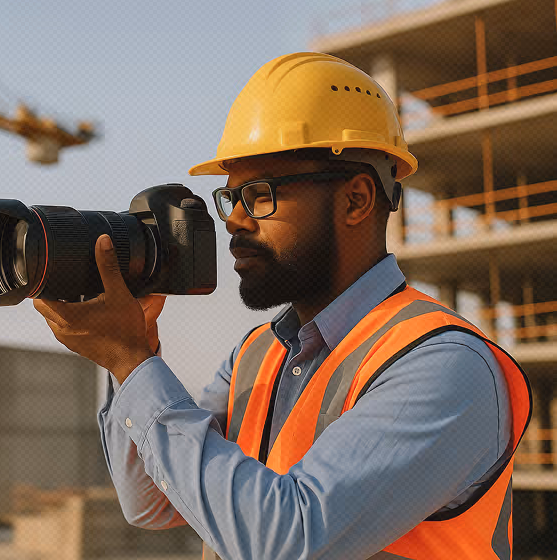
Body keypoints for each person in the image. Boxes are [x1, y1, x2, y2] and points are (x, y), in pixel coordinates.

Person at [33, 53, 532, 559]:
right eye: (231, 199)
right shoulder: (254, 356)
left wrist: (132, 363)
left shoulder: (442, 365)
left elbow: (288, 539)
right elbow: (151, 501)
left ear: (356, 200)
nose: (235, 221)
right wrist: (132, 358)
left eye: (260, 193)